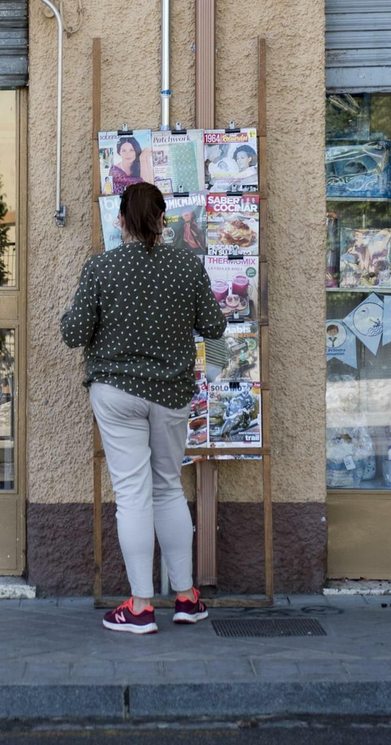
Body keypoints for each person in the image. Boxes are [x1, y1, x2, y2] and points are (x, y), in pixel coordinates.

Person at [61, 182, 228, 635]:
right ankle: (187, 599)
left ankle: (138, 607)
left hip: (115, 393)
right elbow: (214, 326)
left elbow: (74, 333)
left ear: (120, 221)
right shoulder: (186, 266)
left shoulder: (101, 267)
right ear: (162, 220)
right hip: (170, 394)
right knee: (168, 488)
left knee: (133, 495)